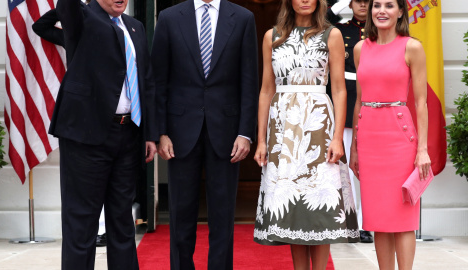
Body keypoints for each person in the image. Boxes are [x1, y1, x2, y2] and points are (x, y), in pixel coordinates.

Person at [49, 0, 158, 268]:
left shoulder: (135, 27)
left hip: (128, 135)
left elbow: (146, 80)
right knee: (81, 225)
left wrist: (150, 133)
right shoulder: (82, 17)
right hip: (86, 137)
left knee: (122, 222)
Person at [151, 0, 258, 269]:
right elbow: (158, 81)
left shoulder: (243, 18)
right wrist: (160, 132)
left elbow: (249, 81)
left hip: (227, 133)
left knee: (223, 216)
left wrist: (245, 133)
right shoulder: (169, 17)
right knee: (180, 214)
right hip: (178, 133)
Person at [253, 0, 359, 269]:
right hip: (282, 129)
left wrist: (337, 138)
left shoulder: (331, 34)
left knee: (319, 206)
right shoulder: (272, 36)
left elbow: (339, 89)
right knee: (293, 208)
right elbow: (266, 90)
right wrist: (262, 140)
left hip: (318, 125)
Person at [350, 0, 431, 269]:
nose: (381, 11)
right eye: (377, 5)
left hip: (400, 139)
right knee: (378, 218)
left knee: (403, 216)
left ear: (399, 13)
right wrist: (355, 148)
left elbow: (421, 102)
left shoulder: (412, 47)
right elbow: (359, 101)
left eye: (389, 5)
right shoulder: (361, 48)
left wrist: (422, 150)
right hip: (369, 138)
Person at [32, 1, 108, 248]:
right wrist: (69, 10)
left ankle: (104, 230)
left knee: (110, 180)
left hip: (113, 111)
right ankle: (94, 231)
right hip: (85, 113)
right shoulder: (74, 35)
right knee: (88, 183)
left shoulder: (117, 31)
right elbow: (39, 26)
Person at [327, 0, 374, 244]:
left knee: (365, 169)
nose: (363, 5)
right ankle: (348, 220)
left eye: (368, 0)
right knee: (344, 166)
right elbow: (321, 19)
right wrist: (340, 3)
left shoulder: (381, 30)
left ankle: (366, 224)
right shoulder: (340, 29)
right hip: (345, 96)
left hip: (371, 96)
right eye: (357, 0)